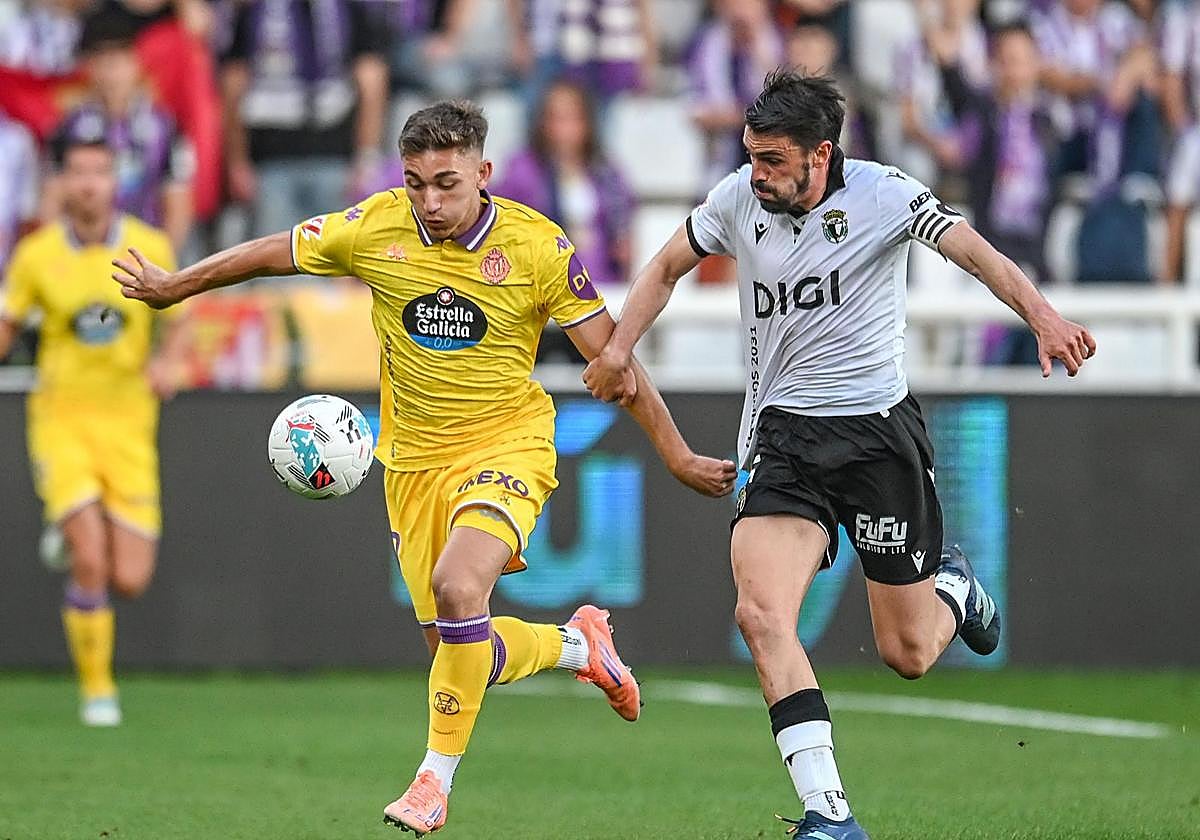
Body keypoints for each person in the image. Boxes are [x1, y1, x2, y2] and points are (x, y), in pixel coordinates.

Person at [111, 99, 737, 835]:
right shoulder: (376, 226)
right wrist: (176, 285)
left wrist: (676, 453)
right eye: (416, 184)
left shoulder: (536, 247)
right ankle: (577, 646)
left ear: (484, 172)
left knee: (458, 585)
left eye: (446, 184)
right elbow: (269, 252)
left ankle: (432, 783)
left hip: (507, 445)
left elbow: (615, 362)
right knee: (456, 653)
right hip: (411, 466)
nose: (430, 202)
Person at [583, 71, 1096, 839]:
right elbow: (662, 268)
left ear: (820, 155)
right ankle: (830, 813)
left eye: (772, 160)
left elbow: (976, 254)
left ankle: (953, 589)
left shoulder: (886, 195)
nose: (756, 174)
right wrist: (620, 348)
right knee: (761, 615)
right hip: (784, 440)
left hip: (877, 440)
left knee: (908, 653)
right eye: (751, 156)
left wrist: (1044, 317)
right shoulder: (736, 200)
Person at [0, 137, 187, 727]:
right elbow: (8, 323)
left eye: (99, 172)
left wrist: (168, 362)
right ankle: (98, 690)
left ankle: (70, 534)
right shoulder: (35, 255)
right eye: (77, 172)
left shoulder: (150, 246)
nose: (87, 184)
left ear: (115, 181)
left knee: (128, 577)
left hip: (129, 424)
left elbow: (180, 320)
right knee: (90, 560)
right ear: (60, 182)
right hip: (62, 419)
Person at [219, 0, 389, 238]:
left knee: (330, 254)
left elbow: (371, 78)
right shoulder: (254, 9)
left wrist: (366, 157)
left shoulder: (347, 8)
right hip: (272, 163)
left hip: (332, 158)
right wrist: (237, 161)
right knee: (280, 255)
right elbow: (234, 83)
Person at [43, 10, 195, 253]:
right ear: (89, 66)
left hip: (144, 255)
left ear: (136, 61)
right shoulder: (69, 127)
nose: (110, 73)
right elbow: (53, 199)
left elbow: (178, 203)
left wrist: (162, 261)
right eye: (101, 61)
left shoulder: (165, 127)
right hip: (82, 255)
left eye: (118, 60)